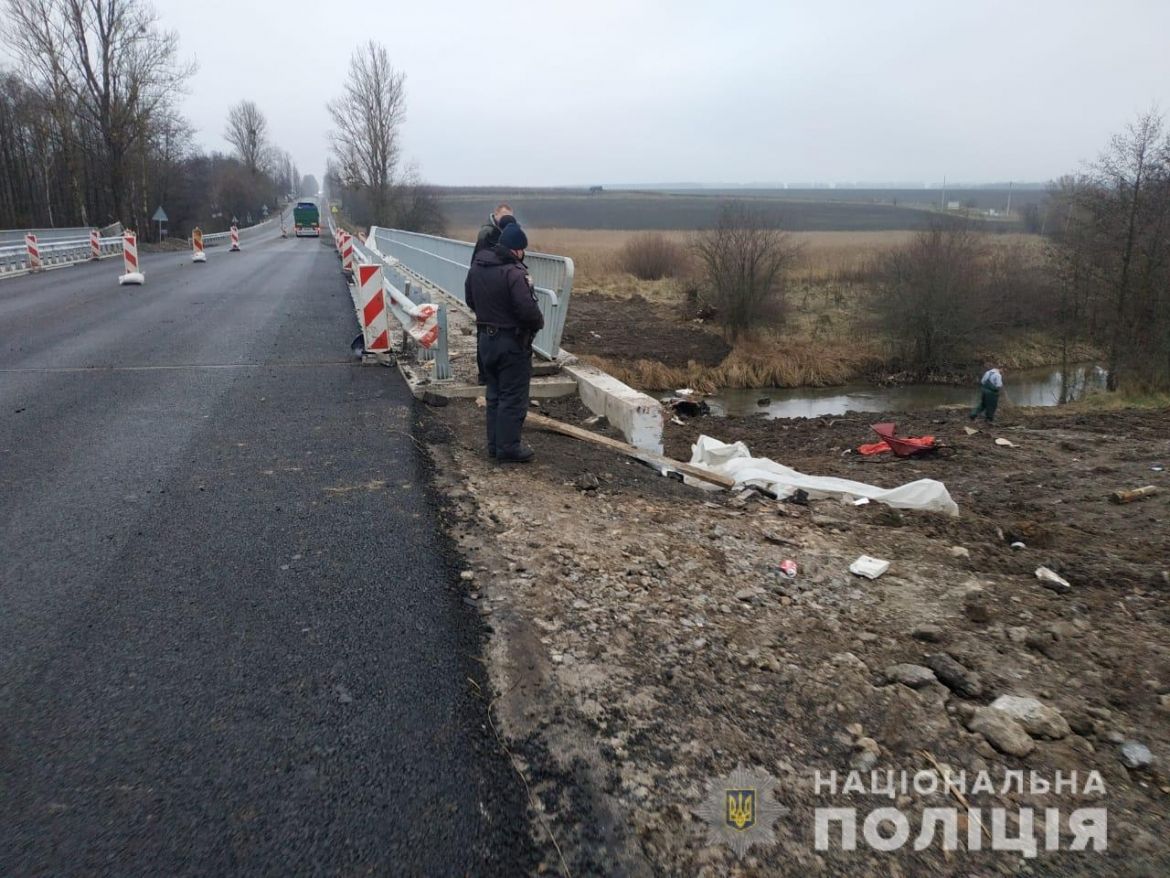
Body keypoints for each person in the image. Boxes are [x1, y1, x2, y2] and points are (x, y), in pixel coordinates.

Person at [465, 223, 544, 462]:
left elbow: (470, 299)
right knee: (513, 397)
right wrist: (537, 323)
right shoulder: (514, 273)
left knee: (494, 395)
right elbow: (527, 310)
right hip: (511, 342)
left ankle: (495, 446)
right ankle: (508, 448)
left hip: (485, 341)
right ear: (517, 250)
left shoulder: (477, 266)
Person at [471, 204, 517, 383]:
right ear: (495, 215)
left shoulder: (507, 233)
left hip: (498, 288)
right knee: (485, 332)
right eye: (504, 216)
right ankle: (485, 375)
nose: (506, 220)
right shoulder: (487, 235)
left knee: (496, 333)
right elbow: (477, 264)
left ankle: (494, 374)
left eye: (509, 216)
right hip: (486, 288)